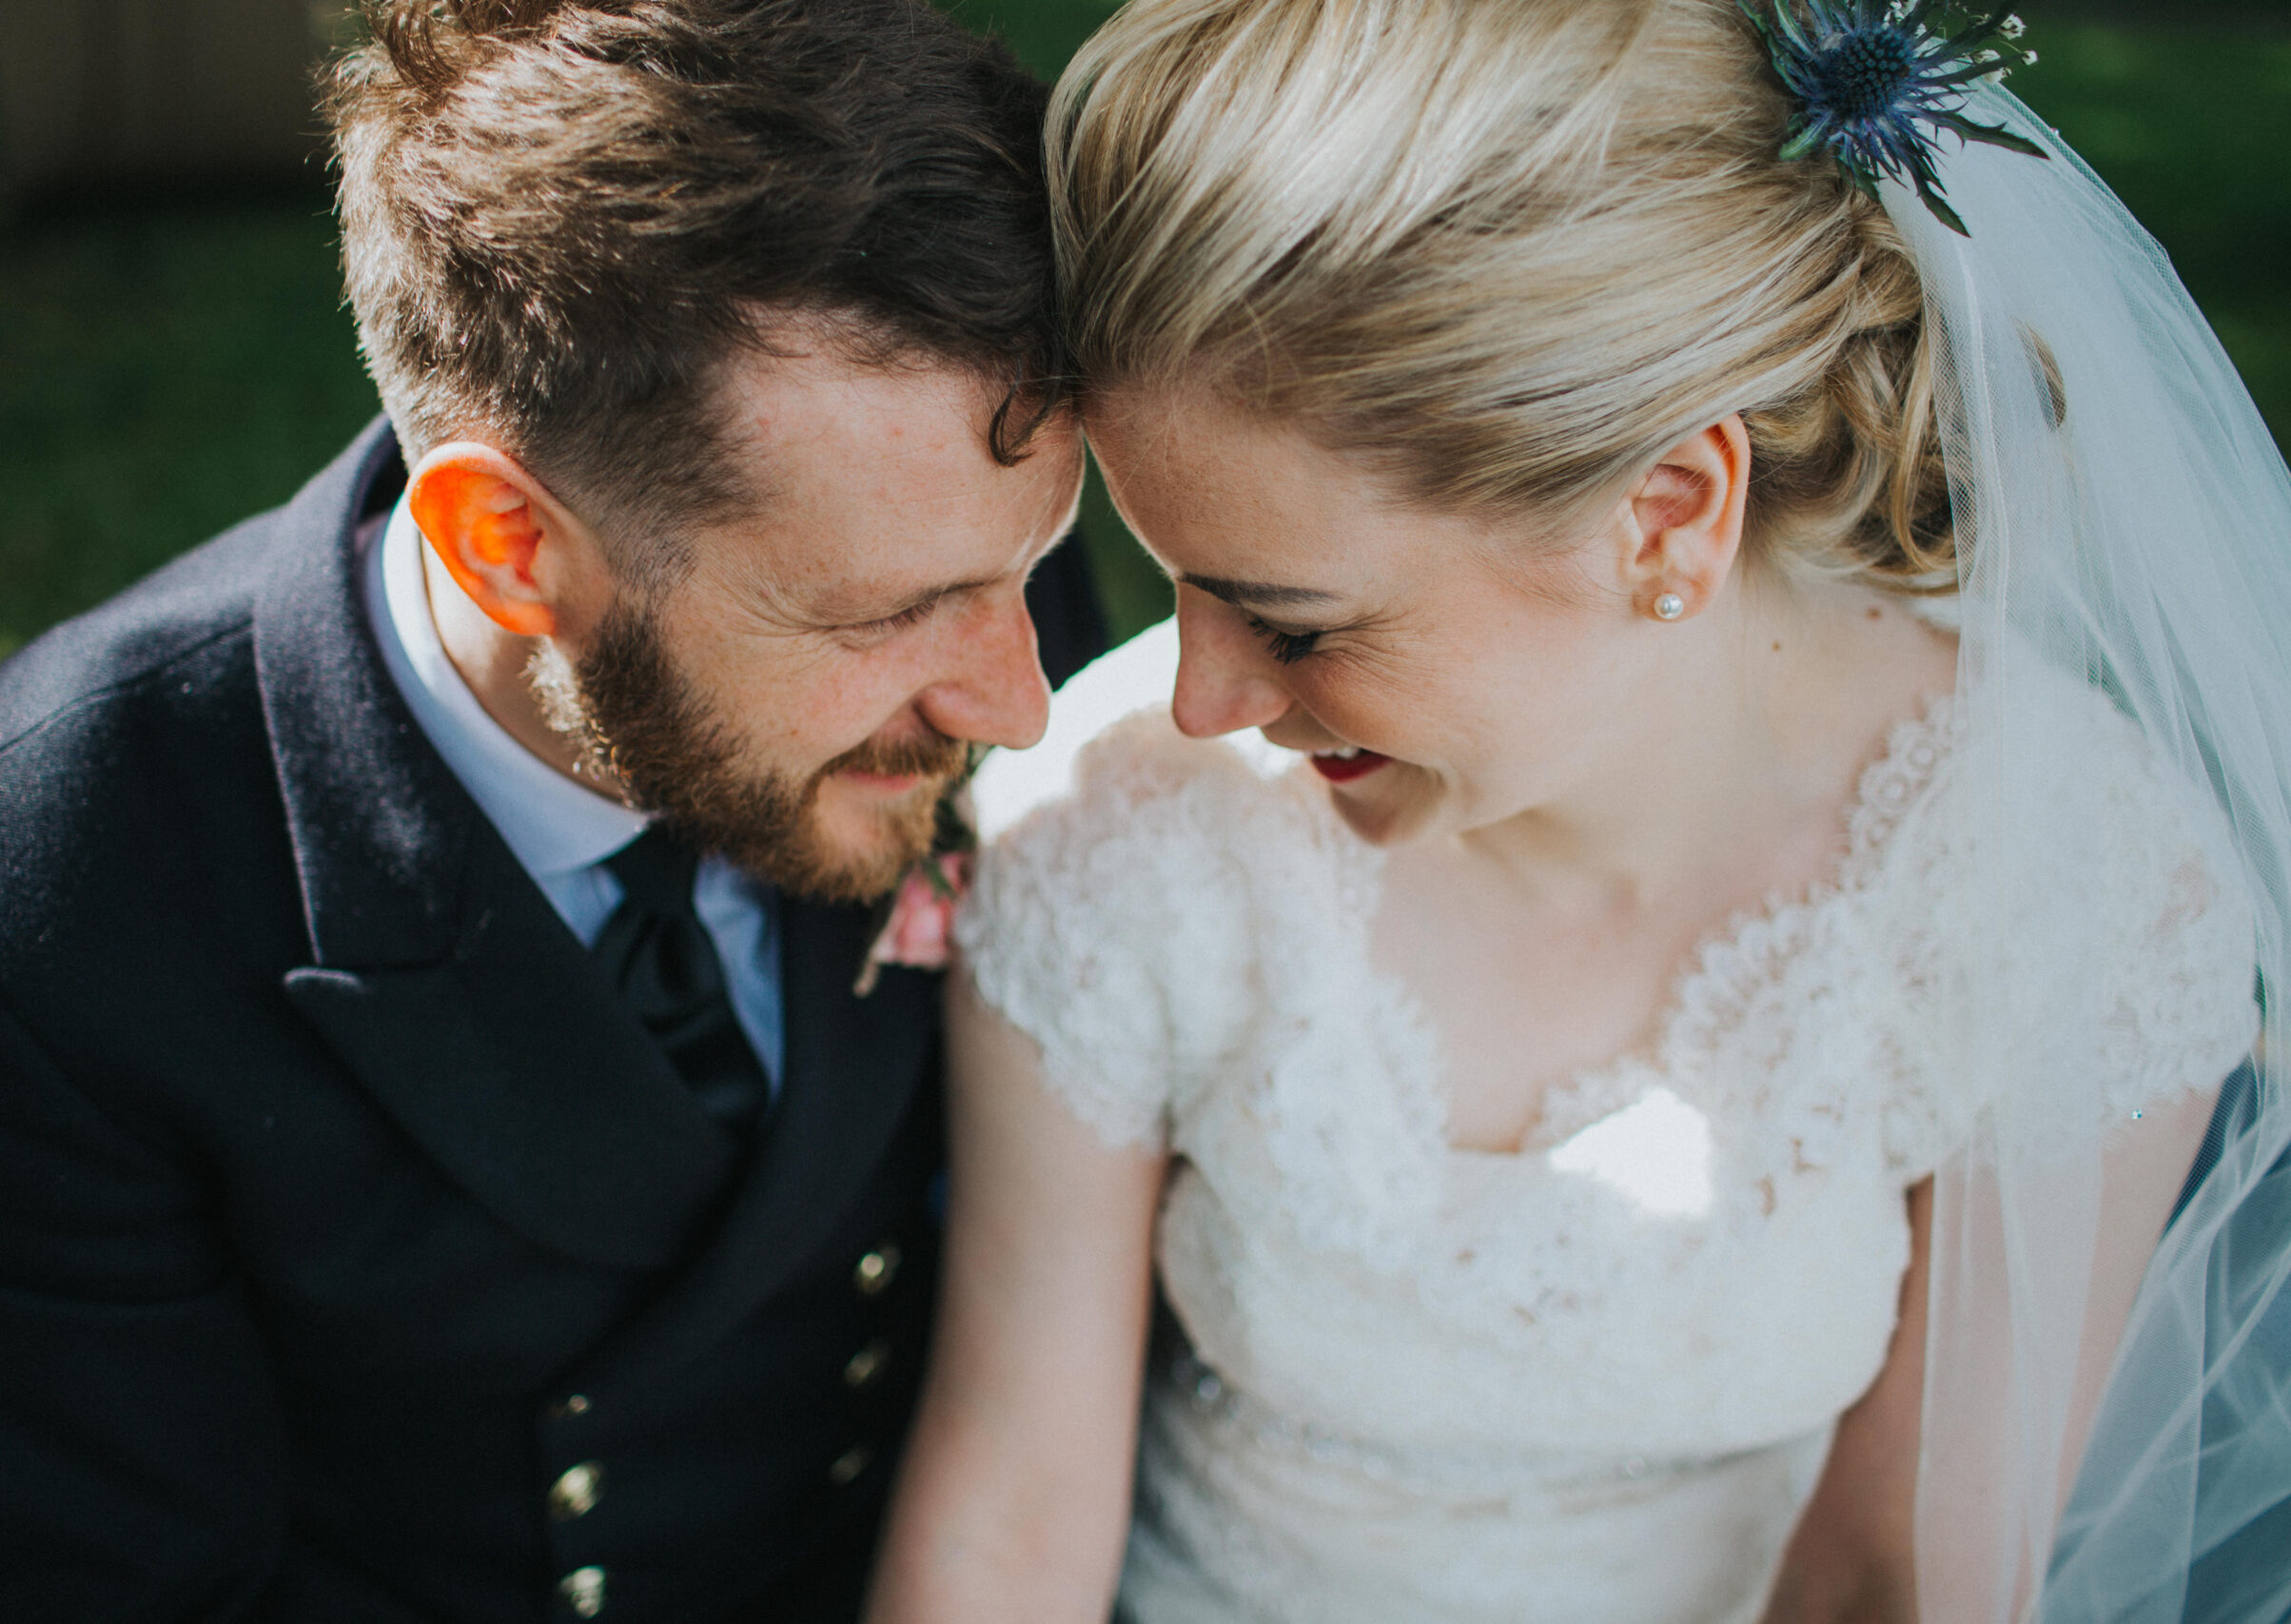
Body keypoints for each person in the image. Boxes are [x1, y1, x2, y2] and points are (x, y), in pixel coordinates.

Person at [866, 0, 2291, 1619]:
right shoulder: (1125, 829)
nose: (1199, 702)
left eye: (1295, 621)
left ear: (1666, 519)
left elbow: (1901, 1569)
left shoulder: (2072, 886)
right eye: (1170, 582)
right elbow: (1012, 1513)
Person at [0, 1, 1107, 1618]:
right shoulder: (14, 920)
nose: (1020, 706)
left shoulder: (951, 539)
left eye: (1025, 568)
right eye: (881, 619)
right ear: (508, 548)